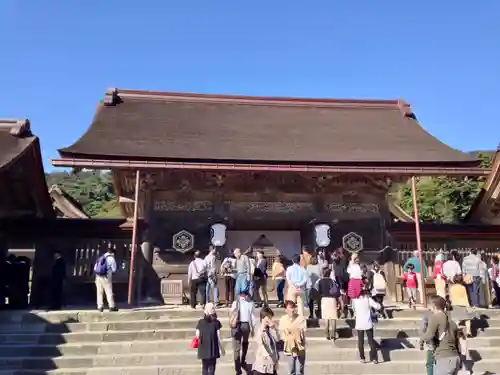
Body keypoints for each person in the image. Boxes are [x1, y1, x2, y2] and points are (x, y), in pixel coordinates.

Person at [421, 296, 461, 375]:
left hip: (443, 358)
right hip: (455, 358)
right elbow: (458, 343)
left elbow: (429, 335)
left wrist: (421, 340)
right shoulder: (452, 322)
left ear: (434, 306)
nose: (430, 309)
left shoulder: (435, 317)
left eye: (430, 307)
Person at [195, 303, 225, 375]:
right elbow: (218, 337)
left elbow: (197, 335)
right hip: (213, 346)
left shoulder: (200, 322)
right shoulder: (216, 322)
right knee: (212, 367)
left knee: (204, 367)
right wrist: (222, 348)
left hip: (203, 346)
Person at [352, 288, 380, 364]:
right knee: (371, 341)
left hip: (359, 323)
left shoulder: (354, 300)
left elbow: (353, 309)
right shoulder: (368, 299)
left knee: (360, 342)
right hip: (368, 323)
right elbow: (377, 306)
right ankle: (374, 358)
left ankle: (362, 358)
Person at [231, 289, 255, 375]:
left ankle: (238, 369)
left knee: (236, 348)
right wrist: (253, 328)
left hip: (237, 325)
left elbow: (232, 314)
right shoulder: (250, 303)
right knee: (245, 342)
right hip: (246, 325)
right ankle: (243, 359)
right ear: (247, 295)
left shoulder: (235, 303)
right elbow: (252, 317)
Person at [279, 300, 306, 375]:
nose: (293, 309)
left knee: (299, 371)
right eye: (291, 307)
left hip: (300, 347)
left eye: (294, 307)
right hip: (289, 347)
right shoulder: (283, 319)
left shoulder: (301, 318)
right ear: (286, 310)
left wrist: (292, 332)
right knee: (291, 370)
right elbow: (282, 334)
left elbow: (303, 330)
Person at [252, 306, 280, 375]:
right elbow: (259, 341)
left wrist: (275, 329)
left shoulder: (270, 329)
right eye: (269, 317)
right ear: (263, 317)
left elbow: (278, 339)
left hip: (272, 364)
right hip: (261, 366)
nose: (270, 320)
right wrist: (263, 326)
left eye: (271, 318)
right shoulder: (258, 329)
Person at [317, 268, 339, 340]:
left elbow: (319, 291)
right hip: (332, 299)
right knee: (333, 317)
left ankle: (327, 334)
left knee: (326, 318)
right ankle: (333, 334)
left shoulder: (320, 281)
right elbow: (336, 291)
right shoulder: (332, 281)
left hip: (324, 299)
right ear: (329, 273)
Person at [94, 247, 118, 312]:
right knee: (109, 292)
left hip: (98, 277)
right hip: (106, 277)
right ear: (113, 253)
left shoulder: (101, 257)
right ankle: (112, 306)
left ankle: (100, 307)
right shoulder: (111, 259)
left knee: (99, 292)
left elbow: (95, 268)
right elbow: (114, 269)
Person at [419, 307, 435, 375]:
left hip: (432, 343)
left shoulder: (427, 315)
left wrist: (421, 342)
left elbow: (423, 329)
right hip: (444, 343)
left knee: (430, 364)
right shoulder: (445, 315)